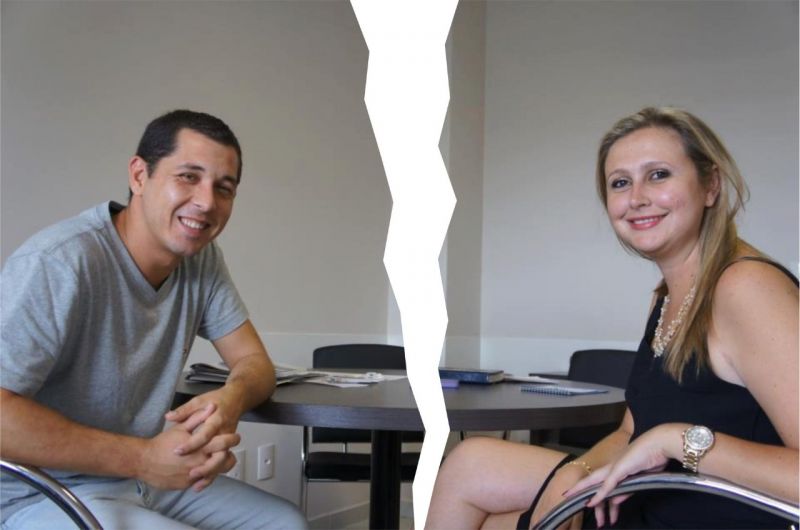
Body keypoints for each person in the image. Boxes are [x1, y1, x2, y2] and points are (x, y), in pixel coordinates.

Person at [426, 107, 798, 529]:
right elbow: (629, 432)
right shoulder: (668, 298)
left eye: (658, 175)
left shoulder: (746, 288)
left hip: (709, 516)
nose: (636, 198)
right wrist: (576, 472)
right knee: (470, 464)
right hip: (656, 495)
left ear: (710, 185)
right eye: (620, 183)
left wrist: (676, 440)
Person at [0, 110, 308, 529]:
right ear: (139, 176)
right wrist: (144, 458)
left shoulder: (201, 261)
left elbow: (255, 363)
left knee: (285, 523)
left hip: (140, 478)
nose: (206, 202)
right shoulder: (58, 262)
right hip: (35, 493)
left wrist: (229, 400)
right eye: (188, 177)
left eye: (224, 188)